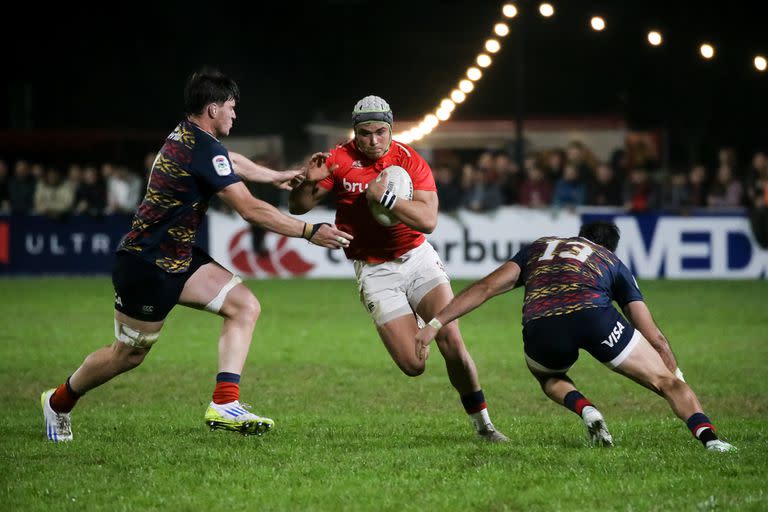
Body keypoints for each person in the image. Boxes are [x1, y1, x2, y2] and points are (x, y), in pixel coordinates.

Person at [40, 67, 353, 442]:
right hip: (147, 263)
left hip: (179, 258)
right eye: (231, 108)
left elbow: (229, 161)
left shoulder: (192, 137)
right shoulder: (200, 147)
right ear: (213, 109)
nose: (235, 115)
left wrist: (277, 176)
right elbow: (250, 211)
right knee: (126, 355)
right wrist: (309, 230)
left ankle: (224, 403)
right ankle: (58, 402)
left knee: (245, 306)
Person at [288, 95, 507, 442]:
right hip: (375, 270)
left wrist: (385, 198)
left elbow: (430, 221)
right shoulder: (338, 159)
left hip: (416, 258)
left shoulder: (409, 159)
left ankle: (484, 426)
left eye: (380, 132)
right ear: (355, 132)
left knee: (451, 338)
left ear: (391, 130)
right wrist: (307, 181)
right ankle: (415, 319)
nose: (373, 141)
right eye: (365, 133)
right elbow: (298, 208)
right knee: (413, 365)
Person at [415, 220, 736, 452]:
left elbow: (484, 288)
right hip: (594, 317)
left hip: (542, 325)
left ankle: (587, 410)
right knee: (667, 383)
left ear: (579, 236)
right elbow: (652, 334)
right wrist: (674, 375)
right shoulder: (612, 261)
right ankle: (710, 439)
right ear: (609, 246)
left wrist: (436, 323)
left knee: (548, 376)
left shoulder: (539, 248)